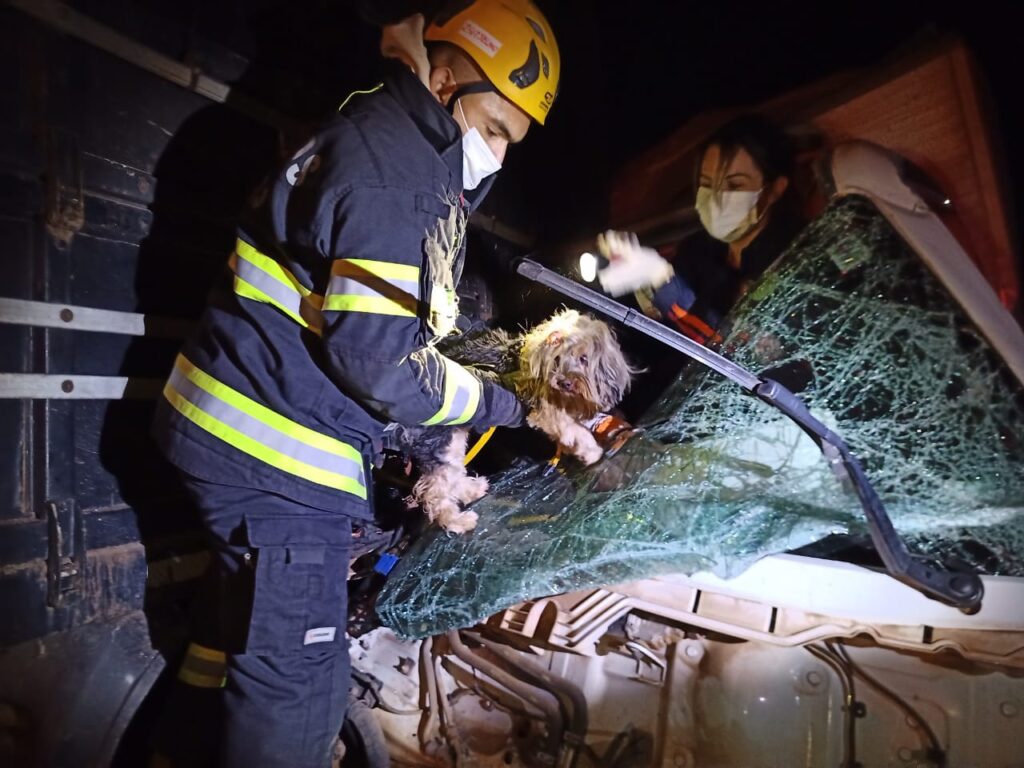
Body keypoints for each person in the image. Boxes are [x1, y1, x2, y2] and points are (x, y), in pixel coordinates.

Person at [148, 2, 560, 766]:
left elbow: (383, 330)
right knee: (300, 690)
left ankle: (176, 749)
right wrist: (510, 403)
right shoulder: (399, 174)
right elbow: (381, 364)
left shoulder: (392, 144)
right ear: (444, 79)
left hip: (231, 431)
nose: (498, 155)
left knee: (230, 632)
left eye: (512, 142)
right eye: (496, 128)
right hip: (275, 464)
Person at [598, 114, 803, 346]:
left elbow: (738, 351)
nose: (715, 198)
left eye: (734, 185)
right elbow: (665, 335)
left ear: (775, 189)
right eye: (706, 184)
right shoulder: (696, 250)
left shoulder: (795, 262)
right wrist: (640, 291)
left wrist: (661, 279)